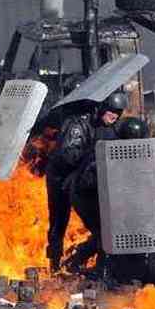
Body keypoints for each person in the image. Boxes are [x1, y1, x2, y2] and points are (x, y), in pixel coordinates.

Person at [45, 92, 128, 273]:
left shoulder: (110, 127)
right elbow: (69, 155)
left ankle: (77, 261)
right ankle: (54, 264)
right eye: (111, 111)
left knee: (101, 226)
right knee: (59, 222)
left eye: (118, 112)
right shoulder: (78, 124)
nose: (114, 115)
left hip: (85, 181)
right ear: (101, 108)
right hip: (61, 177)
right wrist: (92, 157)